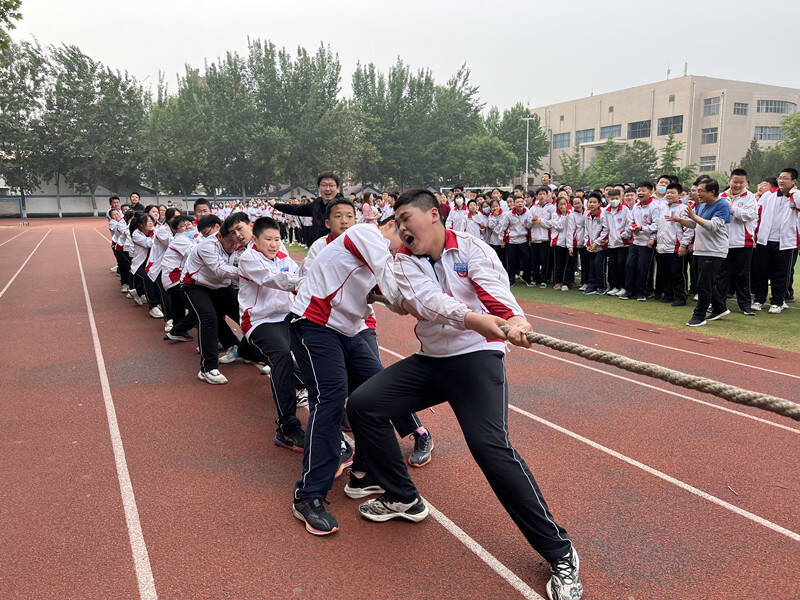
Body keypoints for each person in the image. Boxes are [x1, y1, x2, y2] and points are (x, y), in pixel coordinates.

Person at [346, 188, 583, 600]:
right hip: (433, 362)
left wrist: (514, 318)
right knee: (364, 405)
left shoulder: (472, 248)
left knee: (491, 449)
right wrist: (476, 319)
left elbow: (494, 289)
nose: (400, 227)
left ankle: (560, 551)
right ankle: (403, 497)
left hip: (477, 361)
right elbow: (430, 303)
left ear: (434, 215)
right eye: (396, 221)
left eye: (406, 217)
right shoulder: (403, 262)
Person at [289, 217, 407, 536]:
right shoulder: (366, 232)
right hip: (316, 324)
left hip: (349, 329)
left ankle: (364, 474)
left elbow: (390, 289)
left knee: (377, 394)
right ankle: (308, 495)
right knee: (329, 401)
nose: (406, 247)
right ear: (393, 224)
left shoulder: (384, 254)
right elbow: (395, 289)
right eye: (406, 238)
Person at [233, 216, 309, 451]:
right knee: (282, 357)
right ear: (255, 239)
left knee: (316, 351)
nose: (274, 244)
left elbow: (298, 272)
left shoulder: (283, 254)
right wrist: (305, 281)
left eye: (277, 239)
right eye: (268, 239)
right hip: (260, 320)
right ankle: (287, 426)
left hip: (287, 316)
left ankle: (335, 410)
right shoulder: (248, 259)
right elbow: (275, 279)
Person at [181, 216, 240, 384]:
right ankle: (208, 368)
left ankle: (252, 353)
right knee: (209, 318)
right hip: (195, 286)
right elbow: (220, 270)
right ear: (220, 235)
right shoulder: (208, 245)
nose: (233, 245)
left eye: (236, 241)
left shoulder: (238, 241)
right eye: (230, 242)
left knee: (243, 314)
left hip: (221, 286)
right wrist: (248, 271)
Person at [668, 179, 730, 327]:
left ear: (712, 192)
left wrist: (693, 216)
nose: (697, 194)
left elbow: (713, 226)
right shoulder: (702, 205)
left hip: (714, 251)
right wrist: (680, 220)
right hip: (700, 250)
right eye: (697, 191)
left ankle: (699, 316)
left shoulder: (722, 205)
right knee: (706, 282)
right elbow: (695, 224)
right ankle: (720, 308)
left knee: (703, 285)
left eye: (700, 191)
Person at [752, 168, 799, 313]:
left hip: (786, 242)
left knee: (780, 274)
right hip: (765, 240)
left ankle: (778, 301)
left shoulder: (796, 195)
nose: (781, 180)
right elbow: (757, 213)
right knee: (761, 272)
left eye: (785, 178)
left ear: (793, 181)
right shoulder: (769, 195)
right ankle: (759, 299)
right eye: (780, 177)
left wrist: (792, 193)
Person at [717, 169, 757, 315]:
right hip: (723, 242)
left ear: (746, 183)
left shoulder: (750, 197)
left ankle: (745, 306)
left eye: (741, 182)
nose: (738, 185)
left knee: (742, 275)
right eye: (735, 182)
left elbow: (750, 215)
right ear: (729, 181)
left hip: (743, 242)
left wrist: (731, 209)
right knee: (722, 275)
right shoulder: (721, 196)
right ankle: (717, 305)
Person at [160, 214, 205, 343]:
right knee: (199, 308)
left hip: (175, 278)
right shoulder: (180, 240)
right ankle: (177, 330)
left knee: (179, 305)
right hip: (175, 280)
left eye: (189, 224)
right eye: (182, 226)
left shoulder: (191, 237)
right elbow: (195, 254)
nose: (187, 227)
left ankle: (178, 329)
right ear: (175, 230)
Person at [270, 172, 342, 241]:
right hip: (320, 244)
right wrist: (276, 205)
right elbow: (296, 209)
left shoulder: (343, 205)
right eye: (324, 185)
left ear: (337, 188)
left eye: (331, 185)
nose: (327, 189)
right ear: (319, 188)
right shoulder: (317, 203)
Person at [620, 182, 659, 301]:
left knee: (643, 268)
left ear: (650, 192)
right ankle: (629, 291)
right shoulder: (636, 206)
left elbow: (657, 225)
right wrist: (633, 228)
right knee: (630, 265)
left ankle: (642, 292)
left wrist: (643, 229)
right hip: (635, 241)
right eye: (639, 191)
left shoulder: (654, 206)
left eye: (643, 191)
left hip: (647, 242)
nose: (640, 193)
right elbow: (631, 221)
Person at [655, 183, 692, 306]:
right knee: (664, 273)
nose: (669, 195)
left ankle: (680, 297)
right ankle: (668, 294)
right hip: (661, 247)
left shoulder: (683, 208)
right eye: (668, 192)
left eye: (672, 193)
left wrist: (683, 245)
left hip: (675, 247)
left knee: (677, 273)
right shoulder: (663, 207)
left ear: (679, 195)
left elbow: (689, 229)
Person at [603, 188, 632, 297]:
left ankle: (623, 287)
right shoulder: (606, 211)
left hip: (623, 243)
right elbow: (605, 227)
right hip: (611, 243)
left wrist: (623, 235)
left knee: (621, 265)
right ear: (608, 199)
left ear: (621, 198)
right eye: (612, 199)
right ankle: (615, 286)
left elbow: (629, 224)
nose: (614, 200)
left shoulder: (625, 209)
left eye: (616, 198)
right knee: (612, 266)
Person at [502, 195, 533, 286]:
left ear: (524, 203)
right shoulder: (509, 214)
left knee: (527, 260)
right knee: (511, 262)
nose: (520, 204)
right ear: (514, 204)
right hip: (512, 241)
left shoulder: (528, 212)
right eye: (517, 202)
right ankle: (511, 280)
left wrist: (530, 222)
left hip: (523, 240)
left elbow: (529, 226)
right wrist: (503, 240)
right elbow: (503, 227)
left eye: (521, 202)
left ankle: (526, 278)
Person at [583, 192, 608, 295]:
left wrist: (596, 243)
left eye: (594, 202)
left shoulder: (603, 214)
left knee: (599, 265)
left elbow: (605, 230)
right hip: (591, 246)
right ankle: (592, 285)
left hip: (601, 246)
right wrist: (587, 244)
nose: (592, 204)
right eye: (590, 202)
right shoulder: (587, 215)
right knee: (591, 265)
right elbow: (586, 231)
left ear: (599, 204)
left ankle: (602, 286)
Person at [549, 196, 570, 290]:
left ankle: (567, 281)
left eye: (564, 204)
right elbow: (559, 227)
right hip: (558, 242)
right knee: (558, 264)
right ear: (557, 205)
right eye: (560, 204)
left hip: (568, 242)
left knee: (567, 263)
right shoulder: (554, 215)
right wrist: (563, 215)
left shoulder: (571, 214)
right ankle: (558, 282)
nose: (562, 206)